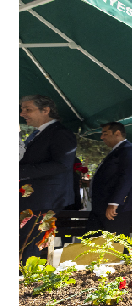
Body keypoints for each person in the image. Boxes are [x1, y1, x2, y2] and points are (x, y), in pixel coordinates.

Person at [19, 95, 77, 264]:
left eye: (27, 109)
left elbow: (62, 164)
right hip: (33, 199)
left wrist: (20, 171)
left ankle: (25, 284)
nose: (22, 113)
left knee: (29, 244)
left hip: (45, 200)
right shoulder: (38, 133)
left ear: (45, 110)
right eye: (22, 109)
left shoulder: (61, 133)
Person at [85, 122, 132, 237]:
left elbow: (128, 177)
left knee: (116, 242)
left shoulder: (130, 150)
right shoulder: (118, 150)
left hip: (117, 207)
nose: (102, 137)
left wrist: (114, 202)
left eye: (105, 133)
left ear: (117, 133)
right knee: (92, 240)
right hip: (103, 205)